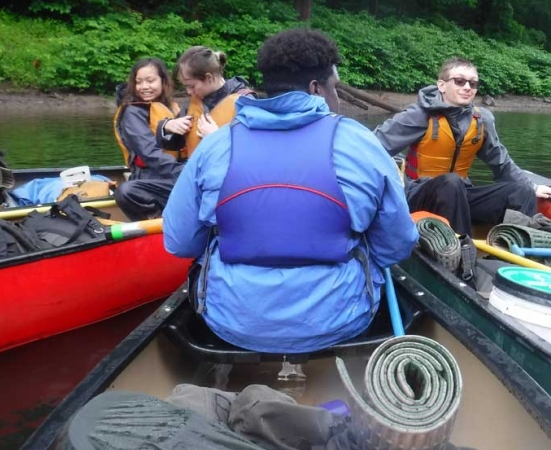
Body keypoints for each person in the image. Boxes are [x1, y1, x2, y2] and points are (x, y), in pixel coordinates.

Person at [162, 29, 418, 354]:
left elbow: (180, 242)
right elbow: (397, 245)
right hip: (342, 320)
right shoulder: (359, 142)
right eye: (334, 88)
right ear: (316, 89)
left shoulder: (216, 144)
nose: (337, 98)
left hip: (230, 322)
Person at [374, 57, 551, 236]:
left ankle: (520, 246)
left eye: (473, 83)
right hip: (418, 196)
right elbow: (373, 147)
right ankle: (461, 251)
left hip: (461, 193)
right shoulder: (419, 115)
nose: (467, 87)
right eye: (459, 81)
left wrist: (531, 187)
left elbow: (501, 162)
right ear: (442, 85)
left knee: (520, 191)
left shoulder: (482, 120)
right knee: (452, 182)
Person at [113, 57, 181, 220]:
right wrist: (185, 173)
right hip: (151, 179)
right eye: (139, 82)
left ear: (163, 81)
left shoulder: (173, 108)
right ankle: (158, 220)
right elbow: (149, 153)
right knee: (126, 191)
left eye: (150, 81)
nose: (144, 87)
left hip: (173, 176)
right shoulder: (132, 113)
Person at [158, 46, 254, 158]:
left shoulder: (245, 101)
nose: (189, 92)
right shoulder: (192, 104)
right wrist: (166, 126)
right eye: (186, 87)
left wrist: (216, 137)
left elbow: (252, 149)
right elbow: (174, 144)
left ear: (209, 77)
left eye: (191, 86)